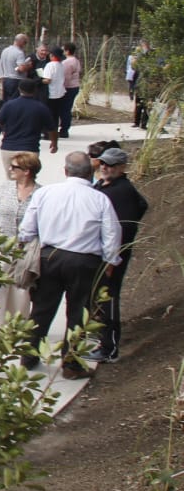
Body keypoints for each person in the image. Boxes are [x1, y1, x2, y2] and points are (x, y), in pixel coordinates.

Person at [18, 152, 121, 378]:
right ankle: (71, 364)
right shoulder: (100, 199)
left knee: (42, 309)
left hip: (50, 256)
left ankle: (28, 355)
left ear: (65, 171)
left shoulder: (45, 193)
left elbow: (26, 230)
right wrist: (111, 261)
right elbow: (112, 234)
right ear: (91, 173)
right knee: (78, 313)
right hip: (84, 260)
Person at [92, 147, 149, 364]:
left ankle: (109, 348)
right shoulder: (104, 185)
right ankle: (101, 338)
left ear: (122, 167)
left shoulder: (121, 192)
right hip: (103, 253)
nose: (105, 168)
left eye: (111, 165)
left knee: (108, 297)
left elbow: (124, 228)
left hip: (112, 256)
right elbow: (143, 204)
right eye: (103, 163)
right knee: (99, 296)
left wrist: (112, 259)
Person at [0, 152, 41, 318]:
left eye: (14, 167)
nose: (10, 169)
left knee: (21, 292)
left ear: (27, 171)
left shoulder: (40, 193)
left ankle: (16, 326)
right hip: (0, 247)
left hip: (24, 250)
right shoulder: (3, 189)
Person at [0, 76, 58, 164]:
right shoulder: (41, 108)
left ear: (19, 89)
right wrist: (54, 142)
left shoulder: (8, 106)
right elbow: (51, 129)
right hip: (30, 149)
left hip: (9, 148)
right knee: (28, 172)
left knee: (11, 172)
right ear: (35, 90)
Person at [58, 43, 82, 137]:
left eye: (63, 50)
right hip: (75, 86)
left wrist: (62, 88)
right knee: (67, 108)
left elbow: (66, 77)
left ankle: (64, 130)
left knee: (64, 109)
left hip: (68, 87)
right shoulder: (76, 61)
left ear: (67, 51)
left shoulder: (67, 63)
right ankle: (65, 128)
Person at [0, 33, 30, 101]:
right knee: (15, 101)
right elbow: (21, 69)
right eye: (25, 42)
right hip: (16, 80)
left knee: (6, 100)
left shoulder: (5, 50)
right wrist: (28, 66)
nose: (25, 45)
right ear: (21, 42)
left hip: (6, 79)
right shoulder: (19, 53)